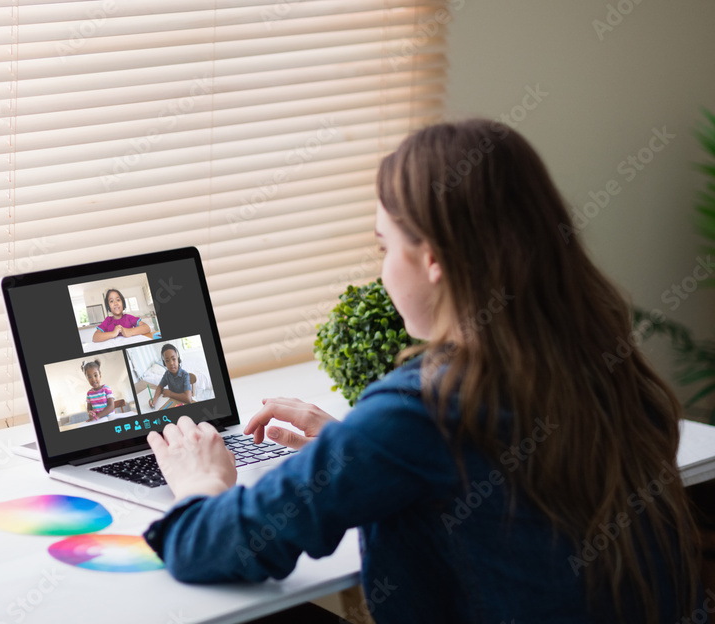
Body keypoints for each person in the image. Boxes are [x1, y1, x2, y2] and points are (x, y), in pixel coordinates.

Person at [142, 119, 702, 623]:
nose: (382, 268)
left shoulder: (425, 408)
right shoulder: (604, 363)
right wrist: (353, 447)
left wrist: (200, 482)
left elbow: (209, 547)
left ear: (432, 259)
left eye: (385, 246)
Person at [150, 344, 193, 408]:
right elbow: (160, 387)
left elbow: (188, 399)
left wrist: (170, 394)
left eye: (173, 359)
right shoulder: (167, 374)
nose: (171, 363)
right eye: (167, 361)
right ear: (164, 363)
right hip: (173, 402)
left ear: (178, 360)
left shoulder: (185, 375)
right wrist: (154, 399)